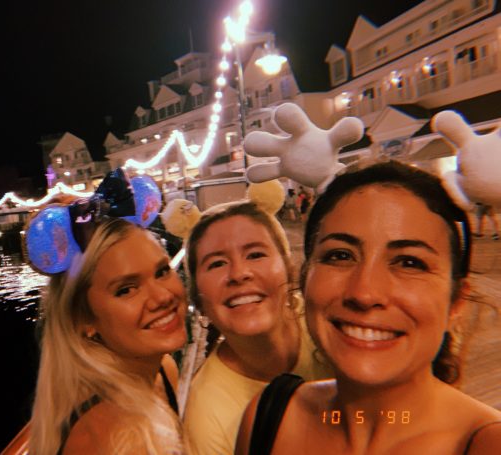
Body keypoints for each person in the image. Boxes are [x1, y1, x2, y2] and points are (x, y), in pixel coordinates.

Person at [236, 161, 501, 454]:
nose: (364, 293)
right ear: (305, 278)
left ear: (456, 302)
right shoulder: (270, 418)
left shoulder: (485, 443)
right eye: (340, 255)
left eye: (409, 262)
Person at [27, 203, 188, 454]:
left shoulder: (162, 371)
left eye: (162, 271)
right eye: (126, 289)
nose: (163, 297)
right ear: (83, 318)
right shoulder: (120, 438)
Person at [181, 200, 332, 455]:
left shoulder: (330, 324)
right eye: (217, 263)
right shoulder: (206, 418)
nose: (239, 273)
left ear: (288, 269)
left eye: (255, 255)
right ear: (199, 301)